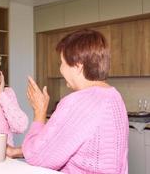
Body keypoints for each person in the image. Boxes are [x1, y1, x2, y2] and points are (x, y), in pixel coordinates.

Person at [7, 29, 129, 174]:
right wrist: (15, 151)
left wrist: (39, 113)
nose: (60, 69)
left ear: (77, 67)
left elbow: (38, 157)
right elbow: (59, 145)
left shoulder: (78, 102)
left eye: (62, 63)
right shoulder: (114, 96)